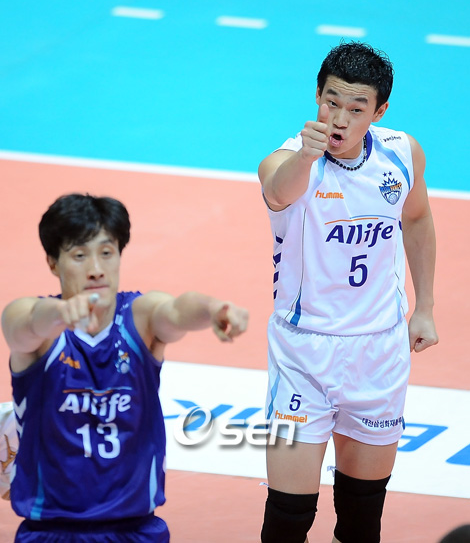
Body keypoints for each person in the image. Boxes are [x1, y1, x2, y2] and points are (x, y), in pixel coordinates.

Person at [258, 41, 438, 543]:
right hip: (302, 355)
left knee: (362, 520)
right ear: (316, 95)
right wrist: (307, 155)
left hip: (379, 352)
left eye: (356, 109)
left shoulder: (402, 154)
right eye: (330, 101)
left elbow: (417, 219)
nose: (338, 118)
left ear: (378, 112)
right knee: (288, 517)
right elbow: (277, 191)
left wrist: (425, 306)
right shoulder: (287, 160)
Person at [1, 193, 249, 542]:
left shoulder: (140, 318)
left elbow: (177, 310)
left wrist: (214, 310)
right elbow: (22, 324)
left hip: (134, 531)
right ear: (53, 263)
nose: (96, 268)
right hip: (50, 531)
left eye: (107, 252)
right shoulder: (36, 327)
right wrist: (60, 314)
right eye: (79, 256)